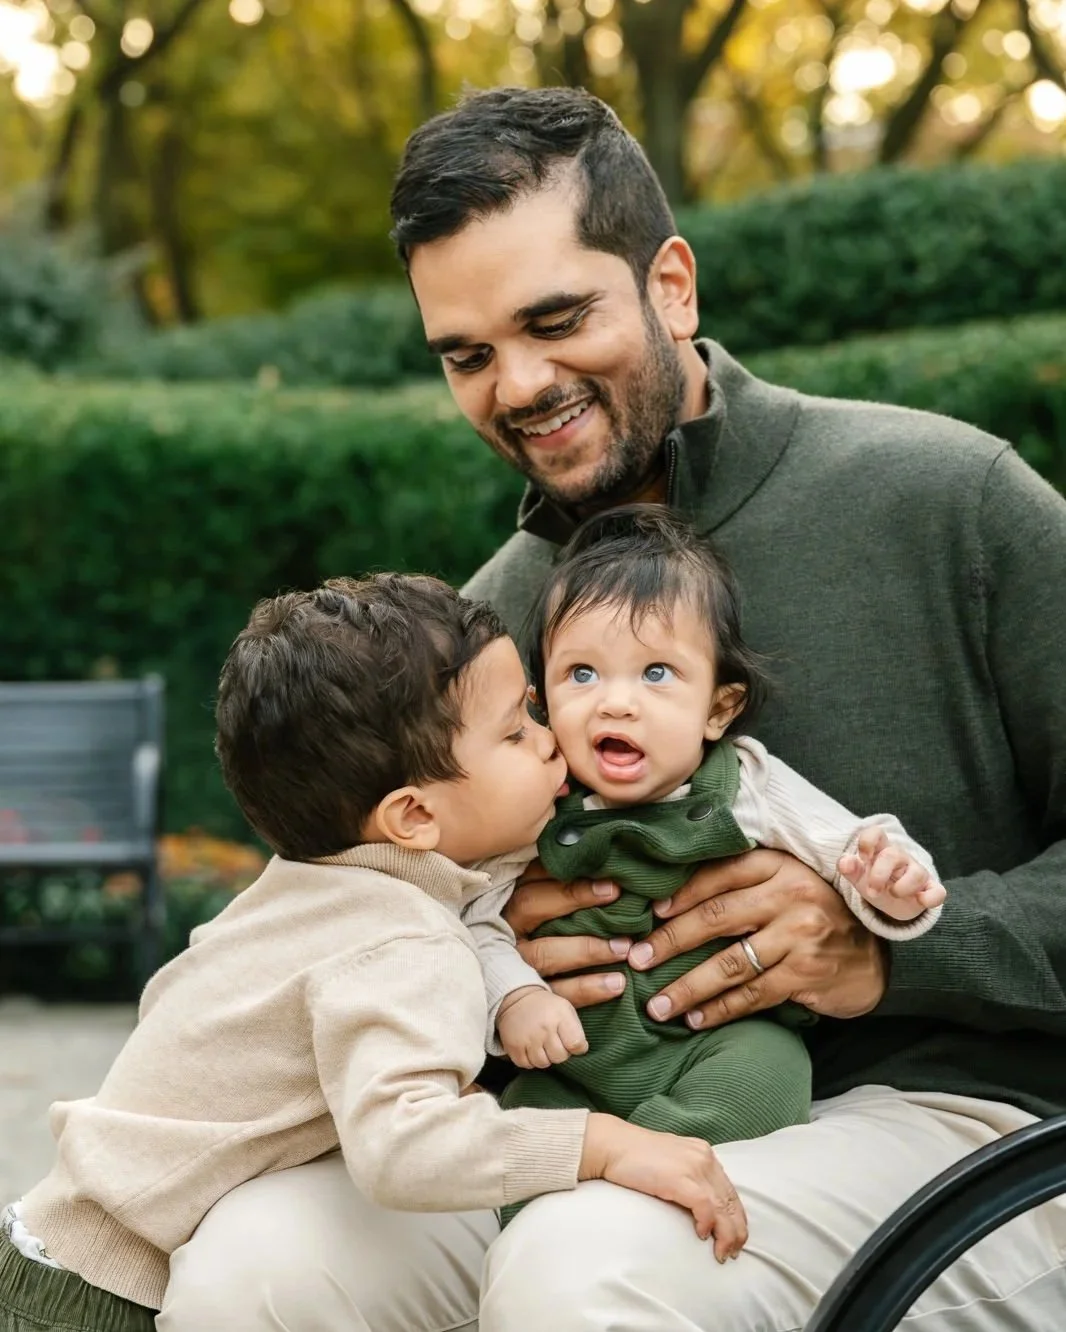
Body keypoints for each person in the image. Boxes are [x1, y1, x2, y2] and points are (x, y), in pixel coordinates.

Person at [160, 86, 1066, 1332]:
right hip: (591, 1115)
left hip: (974, 1127)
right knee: (255, 1262)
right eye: (467, 355)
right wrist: (480, 963)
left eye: (554, 319)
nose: (517, 383)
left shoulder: (946, 501)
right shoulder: (483, 633)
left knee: (589, 1262)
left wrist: (897, 949)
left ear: (673, 286)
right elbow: (355, 932)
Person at [1, 575, 751, 1332]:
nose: (552, 734)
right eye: (516, 731)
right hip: (96, 1303)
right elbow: (407, 1150)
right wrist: (601, 1144)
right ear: (414, 815)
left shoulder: (303, 888)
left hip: (50, 1250)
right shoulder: (403, 937)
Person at [481, 504, 941, 1169]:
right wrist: (512, 996)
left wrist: (893, 885)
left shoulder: (744, 784)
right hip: (575, 1064)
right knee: (519, 1123)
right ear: (542, 700)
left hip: (711, 1043)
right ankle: (575, 1187)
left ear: (719, 708)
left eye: (656, 673)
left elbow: (852, 847)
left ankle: (650, 1165)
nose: (615, 702)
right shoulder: (532, 800)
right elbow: (476, 917)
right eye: (582, 674)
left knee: (768, 1073)